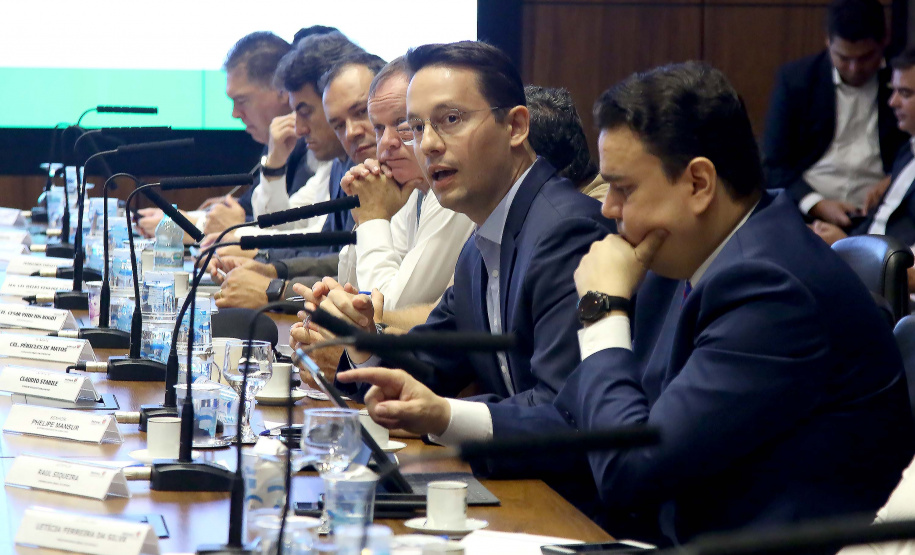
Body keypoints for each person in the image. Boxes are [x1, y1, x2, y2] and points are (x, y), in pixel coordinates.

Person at [338, 61, 915, 545]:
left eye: (624, 188)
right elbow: (578, 413)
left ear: (698, 184)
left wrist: (601, 309)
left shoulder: (772, 287)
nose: (606, 210)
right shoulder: (690, 257)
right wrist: (446, 415)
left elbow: (628, 470)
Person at [293, 41, 614, 410]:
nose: (427, 144)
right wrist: (361, 342)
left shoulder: (567, 231)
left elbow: (563, 411)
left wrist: (446, 420)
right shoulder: (481, 242)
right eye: (416, 126)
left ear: (515, 126)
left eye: (450, 120)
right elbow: (428, 368)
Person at [210, 31, 365, 309]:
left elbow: (365, 282)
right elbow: (331, 249)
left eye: (305, 112)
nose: (299, 127)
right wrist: (265, 263)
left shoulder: (376, 165)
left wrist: (270, 275)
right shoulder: (338, 162)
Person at [137, 31, 303, 237]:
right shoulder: (278, 140)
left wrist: (187, 226)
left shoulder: (312, 146)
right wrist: (188, 219)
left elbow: (288, 230)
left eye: (242, 101)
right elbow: (245, 212)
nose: (235, 113)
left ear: (282, 91)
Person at [762, 0, 907, 227]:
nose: (854, 68)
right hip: (806, 213)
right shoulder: (796, 80)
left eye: (865, 57)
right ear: (828, 41)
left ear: (884, 41)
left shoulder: (903, 84)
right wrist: (816, 203)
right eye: (843, 58)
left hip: (882, 214)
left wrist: (896, 178)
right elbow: (773, 165)